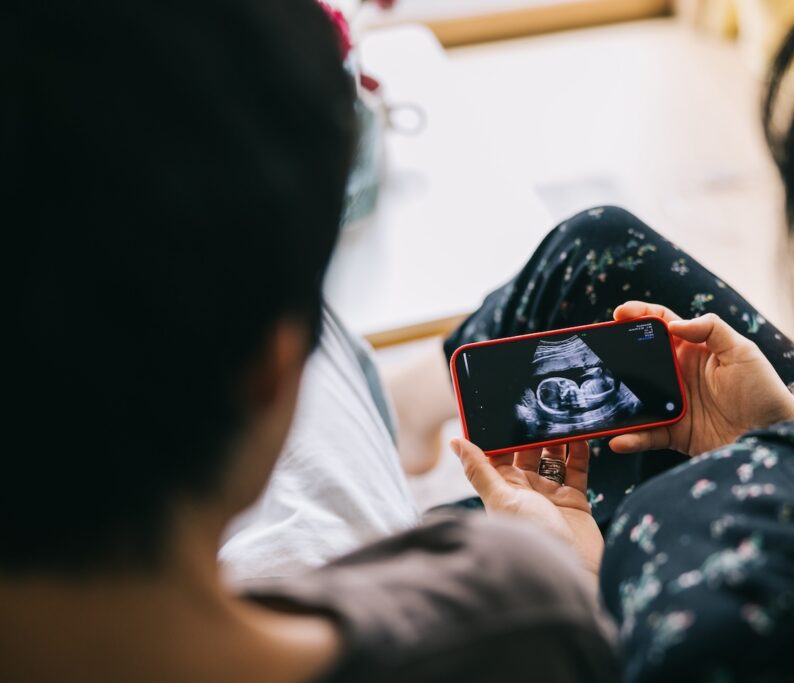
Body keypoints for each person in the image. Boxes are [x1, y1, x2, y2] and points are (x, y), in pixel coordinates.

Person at [0, 1, 618, 681]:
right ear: (272, 371)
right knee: (601, 249)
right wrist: (578, 577)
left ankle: (409, 408)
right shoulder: (517, 616)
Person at [444, 0, 794, 680]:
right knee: (598, 244)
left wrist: (583, 581)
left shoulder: (727, 626)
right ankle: (430, 401)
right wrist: (792, 427)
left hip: (615, 593)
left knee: (451, 537)